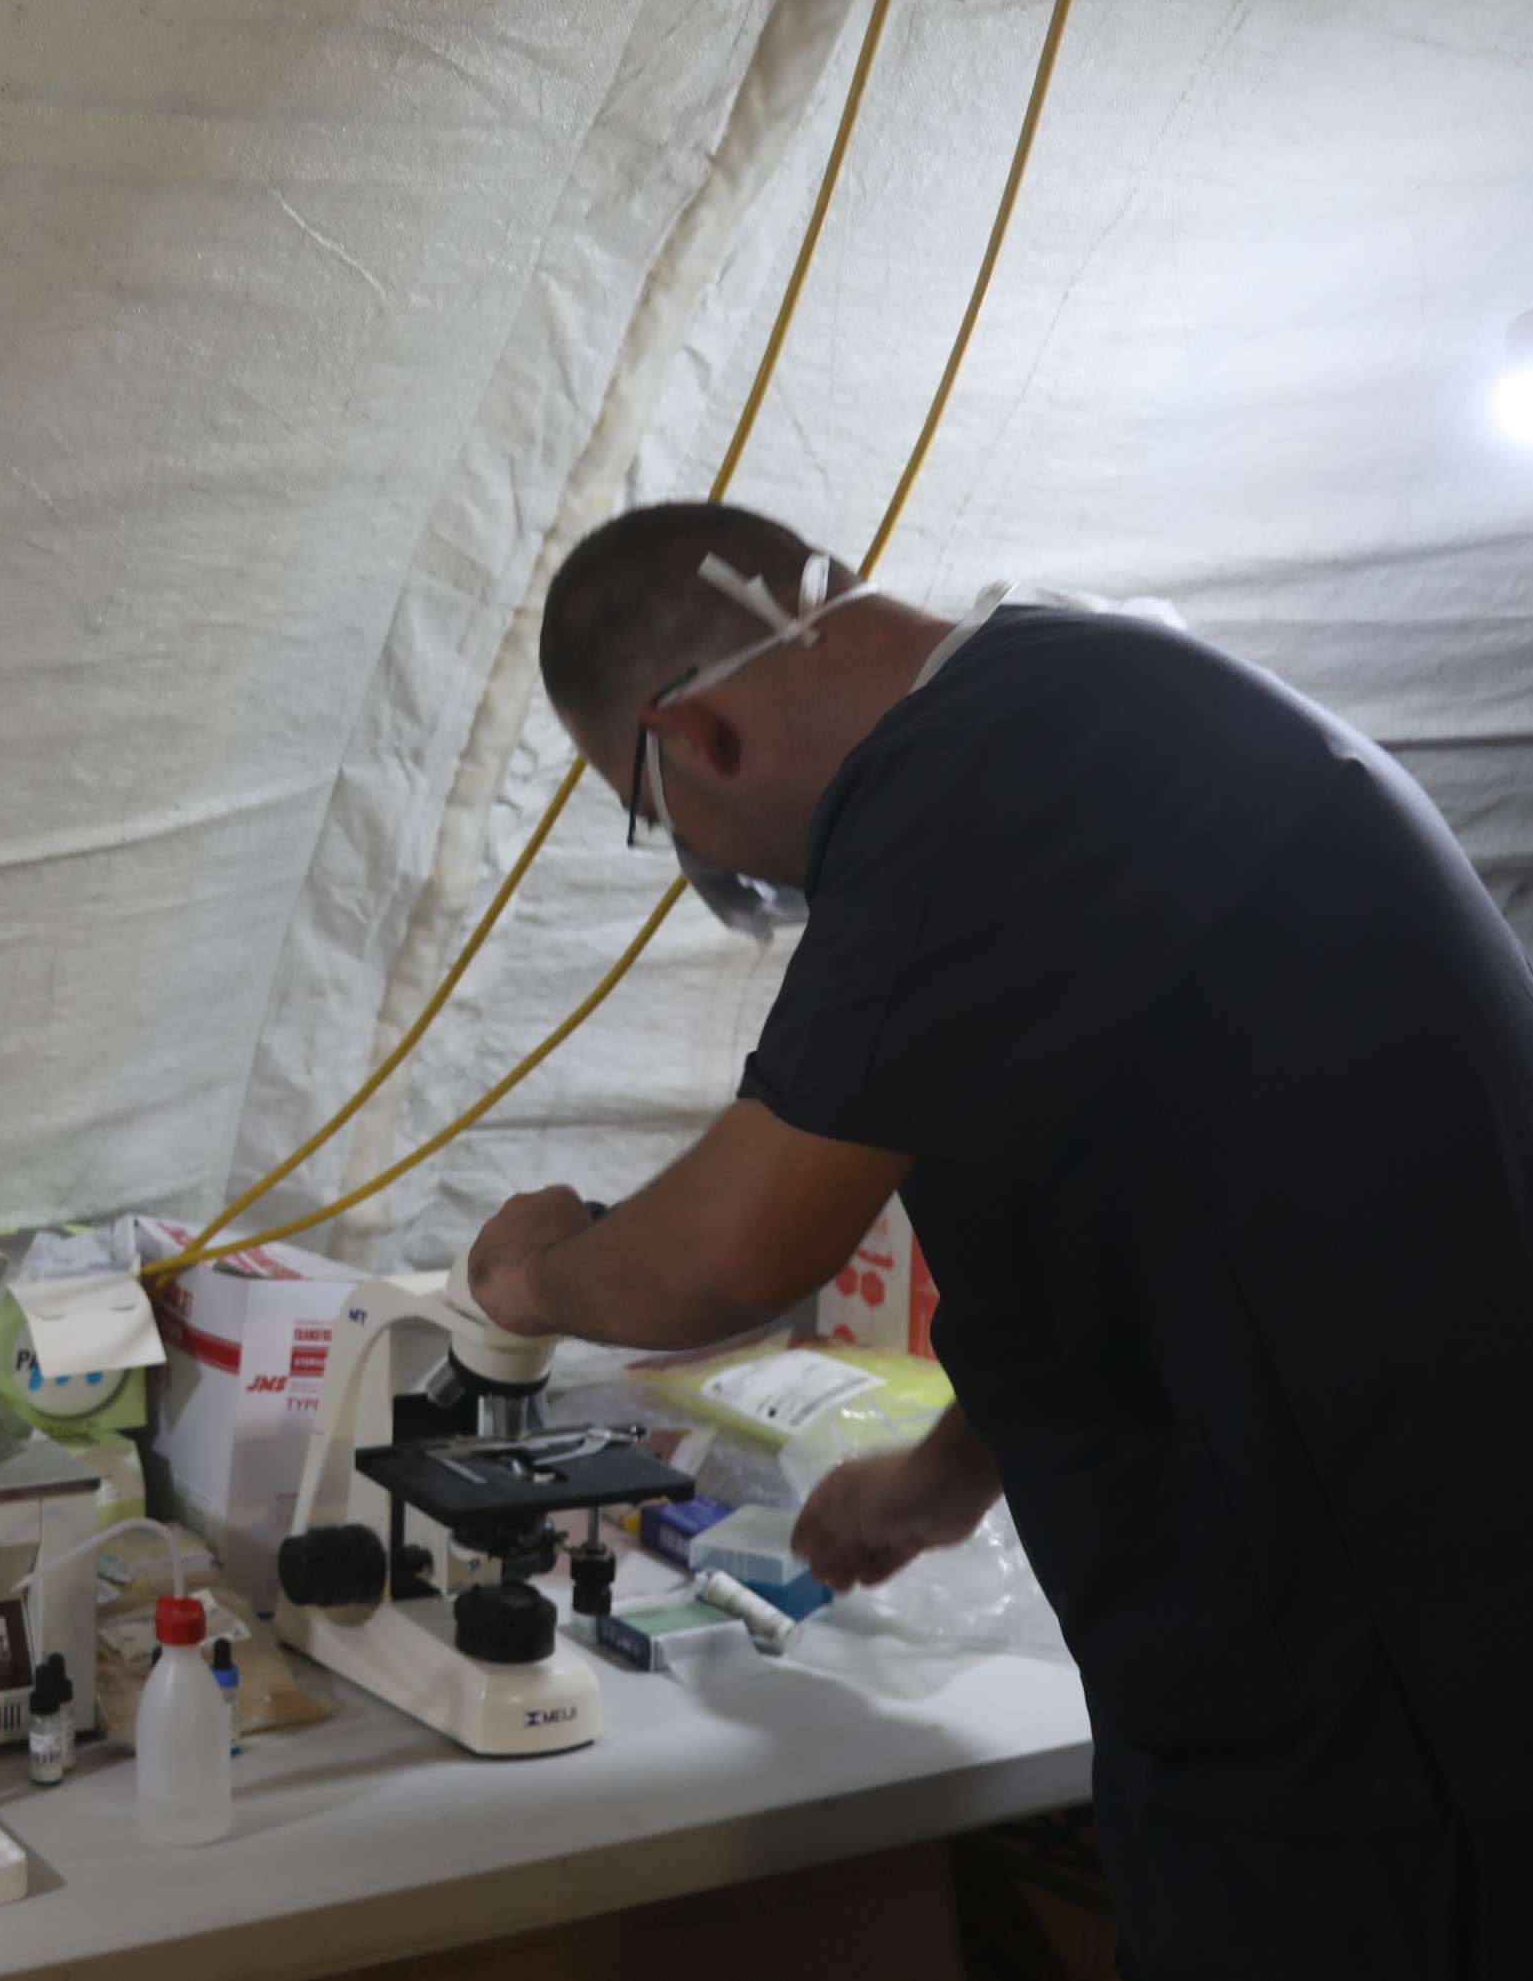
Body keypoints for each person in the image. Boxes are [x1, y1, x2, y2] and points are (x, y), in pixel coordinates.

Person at [462, 502, 1532, 1979]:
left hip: (1388, 1721)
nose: (697, 865)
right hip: (1338, 1671)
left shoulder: (971, 773)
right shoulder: (1080, 710)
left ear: (691, 738)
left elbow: (733, 1250)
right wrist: (948, 1471)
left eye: (656, 821)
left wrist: (529, 1276)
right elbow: (1180, 1199)